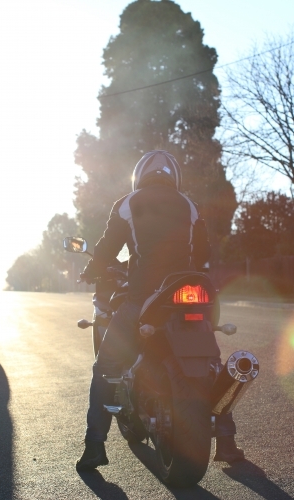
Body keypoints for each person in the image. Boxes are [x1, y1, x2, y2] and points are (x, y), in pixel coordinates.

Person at [76, 150, 244, 471]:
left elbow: (107, 249)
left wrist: (94, 270)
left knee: (106, 364)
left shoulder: (128, 203)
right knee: (209, 361)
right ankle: (226, 439)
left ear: (140, 177)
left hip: (144, 297)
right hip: (189, 294)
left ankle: (95, 445)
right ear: (174, 178)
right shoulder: (191, 206)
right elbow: (203, 253)